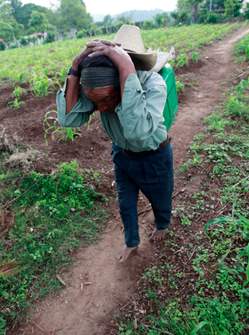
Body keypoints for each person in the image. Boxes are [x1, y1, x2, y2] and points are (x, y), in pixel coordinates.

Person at [56, 25, 174, 262]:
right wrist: (75, 65)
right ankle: (131, 242)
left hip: (154, 156)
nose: (102, 108)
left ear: (128, 65)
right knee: (125, 203)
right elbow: (68, 117)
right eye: (96, 102)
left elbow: (139, 131)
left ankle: (162, 224)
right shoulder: (103, 85)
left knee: (160, 198)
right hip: (122, 155)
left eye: (107, 100)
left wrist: (124, 67)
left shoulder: (153, 84)